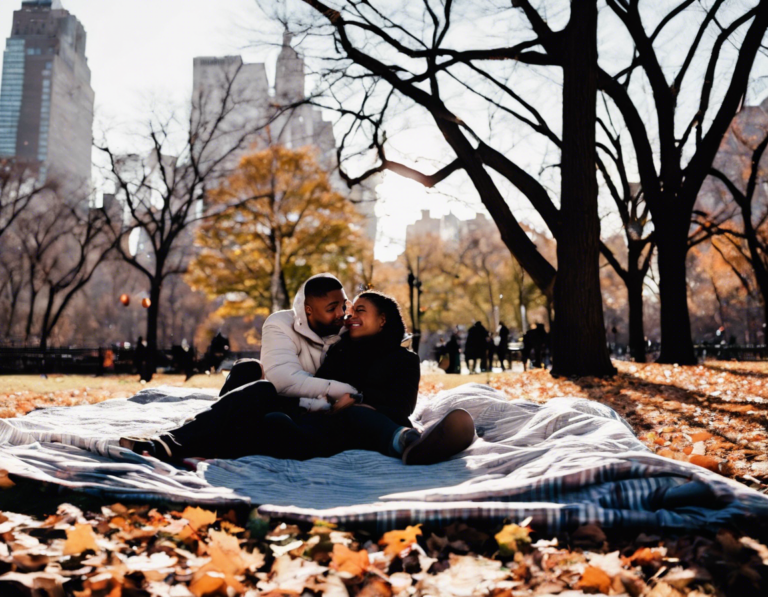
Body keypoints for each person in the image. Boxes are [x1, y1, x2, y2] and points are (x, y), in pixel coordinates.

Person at [122, 285, 474, 465]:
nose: (349, 316)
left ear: (383, 320)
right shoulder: (338, 349)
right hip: (307, 416)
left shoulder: (401, 359)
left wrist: (357, 401)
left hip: (334, 430)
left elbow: (400, 405)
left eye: (360, 311)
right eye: (348, 312)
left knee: (281, 421)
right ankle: (175, 440)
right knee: (252, 378)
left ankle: (412, 445)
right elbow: (307, 384)